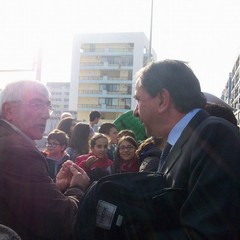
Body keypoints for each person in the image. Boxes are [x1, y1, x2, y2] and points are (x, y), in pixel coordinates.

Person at [133, 60, 240, 239]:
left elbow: (209, 233)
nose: (135, 112)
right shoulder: (182, 141)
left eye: (138, 100)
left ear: (162, 100)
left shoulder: (213, 134)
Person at [0, 80, 90, 240]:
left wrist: (54, 187)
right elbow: (59, 222)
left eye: (47, 106)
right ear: (9, 111)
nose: (47, 114)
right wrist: (77, 188)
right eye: (36, 104)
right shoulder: (17, 150)